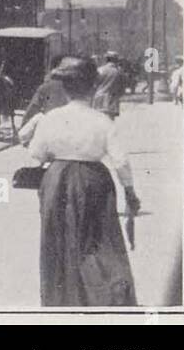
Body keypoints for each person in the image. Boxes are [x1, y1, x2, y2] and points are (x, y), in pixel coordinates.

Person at [27, 56, 139, 306]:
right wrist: (130, 191)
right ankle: (99, 298)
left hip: (56, 180)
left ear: (65, 88)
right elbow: (120, 160)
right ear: (92, 87)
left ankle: (59, 297)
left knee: (57, 240)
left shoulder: (51, 118)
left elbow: (35, 154)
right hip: (95, 181)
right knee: (98, 241)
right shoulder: (102, 120)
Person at [20, 54, 71, 131]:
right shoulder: (75, 88)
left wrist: (23, 127)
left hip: (50, 128)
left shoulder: (45, 87)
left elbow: (32, 110)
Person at [93, 52, 125, 120]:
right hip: (112, 99)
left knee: (98, 121)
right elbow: (122, 88)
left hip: (99, 98)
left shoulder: (100, 70)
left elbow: (94, 84)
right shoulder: (118, 72)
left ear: (106, 59)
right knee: (110, 123)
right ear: (115, 60)